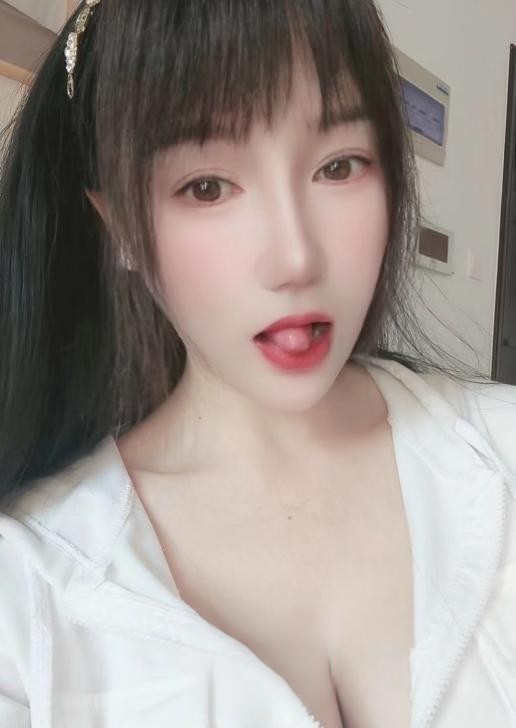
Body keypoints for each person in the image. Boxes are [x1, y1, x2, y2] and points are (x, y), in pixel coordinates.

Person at [0, 1, 515, 727]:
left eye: (339, 166)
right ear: (119, 227)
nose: (295, 258)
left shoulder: (504, 450)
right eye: (207, 187)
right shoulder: (28, 589)